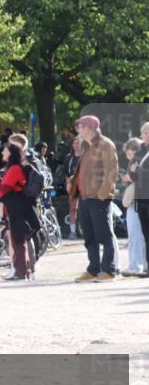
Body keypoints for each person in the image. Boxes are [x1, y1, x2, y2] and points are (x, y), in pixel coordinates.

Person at [72, 115, 119, 282]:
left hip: (98, 198)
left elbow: (111, 172)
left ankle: (109, 270)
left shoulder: (106, 145)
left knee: (104, 235)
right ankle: (93, 269)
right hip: (85, 198)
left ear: (89, 128)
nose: (78, 130)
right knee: (89, 237)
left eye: (80, 127)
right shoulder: (86, 147)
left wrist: (102, 195)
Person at [0, 143, 41, 281]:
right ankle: (22, 270)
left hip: (17, 207)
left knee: (18, 240)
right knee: (18, 239)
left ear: (10, 153)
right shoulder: (13, 167)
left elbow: (5, 189)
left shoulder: (14, 168)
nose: (2, 152)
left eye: (5, 150)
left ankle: (21, 272)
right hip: (17, 206)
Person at [121, 137, 146, 277]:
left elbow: (135, 178)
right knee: (138, 235)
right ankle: (138, 264)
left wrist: (129, 177)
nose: (129, 157)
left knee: (135, 235)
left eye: (130, 153)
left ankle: (136, 265)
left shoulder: (138, 161)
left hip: (137, 200)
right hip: (139, 200)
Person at [128, 122, 149, 277]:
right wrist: (135, 172)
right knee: (146, 234)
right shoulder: (140, 151)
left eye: (148, 132)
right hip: (141, 198)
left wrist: (139, 171)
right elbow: (131, 172)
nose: (146, 135)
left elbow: (138, 171)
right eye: (144, 132)